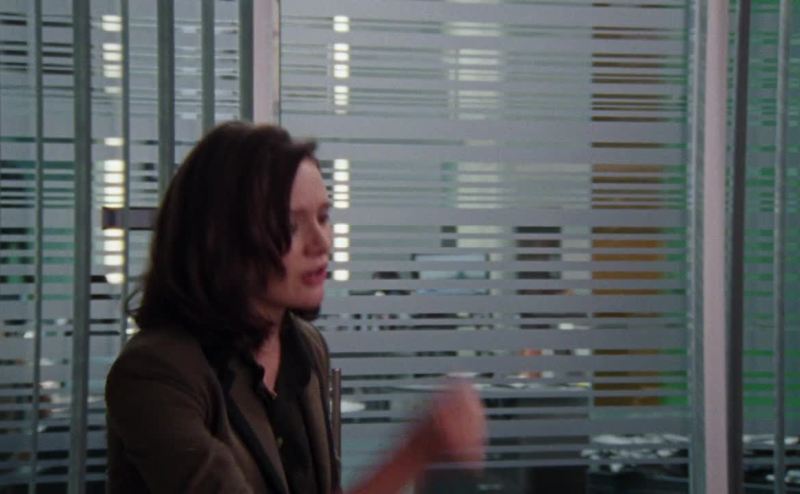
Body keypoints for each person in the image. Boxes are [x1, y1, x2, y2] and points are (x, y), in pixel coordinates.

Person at [104, 121, 486, 494]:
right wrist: (414, 453)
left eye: (323, 218)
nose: (322, 243)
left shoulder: (304, 346)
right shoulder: (156, 373)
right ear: (222, 239)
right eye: (290, 225)